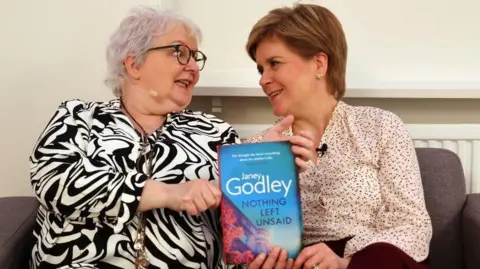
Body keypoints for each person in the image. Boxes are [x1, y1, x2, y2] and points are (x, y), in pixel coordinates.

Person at [28, 6, 314, 269]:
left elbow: (241, 229)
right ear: (134, 64)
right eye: (180, 52)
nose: (192, 67)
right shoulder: (79, 116)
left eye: (195, 57)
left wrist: (262, 165)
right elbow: (53, 181)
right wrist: (168, 193)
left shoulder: (214, 132)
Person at [243, 3, 433, 269]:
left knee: (384, 257)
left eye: (274, 63)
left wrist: (346, 261)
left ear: (319, 63)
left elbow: (414, 227)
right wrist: (268, 167)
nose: (263, 80)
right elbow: (252, 244)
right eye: (261, 69)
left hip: (374, 261)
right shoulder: (257, 147)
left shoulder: (380, 126)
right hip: (302, 265)